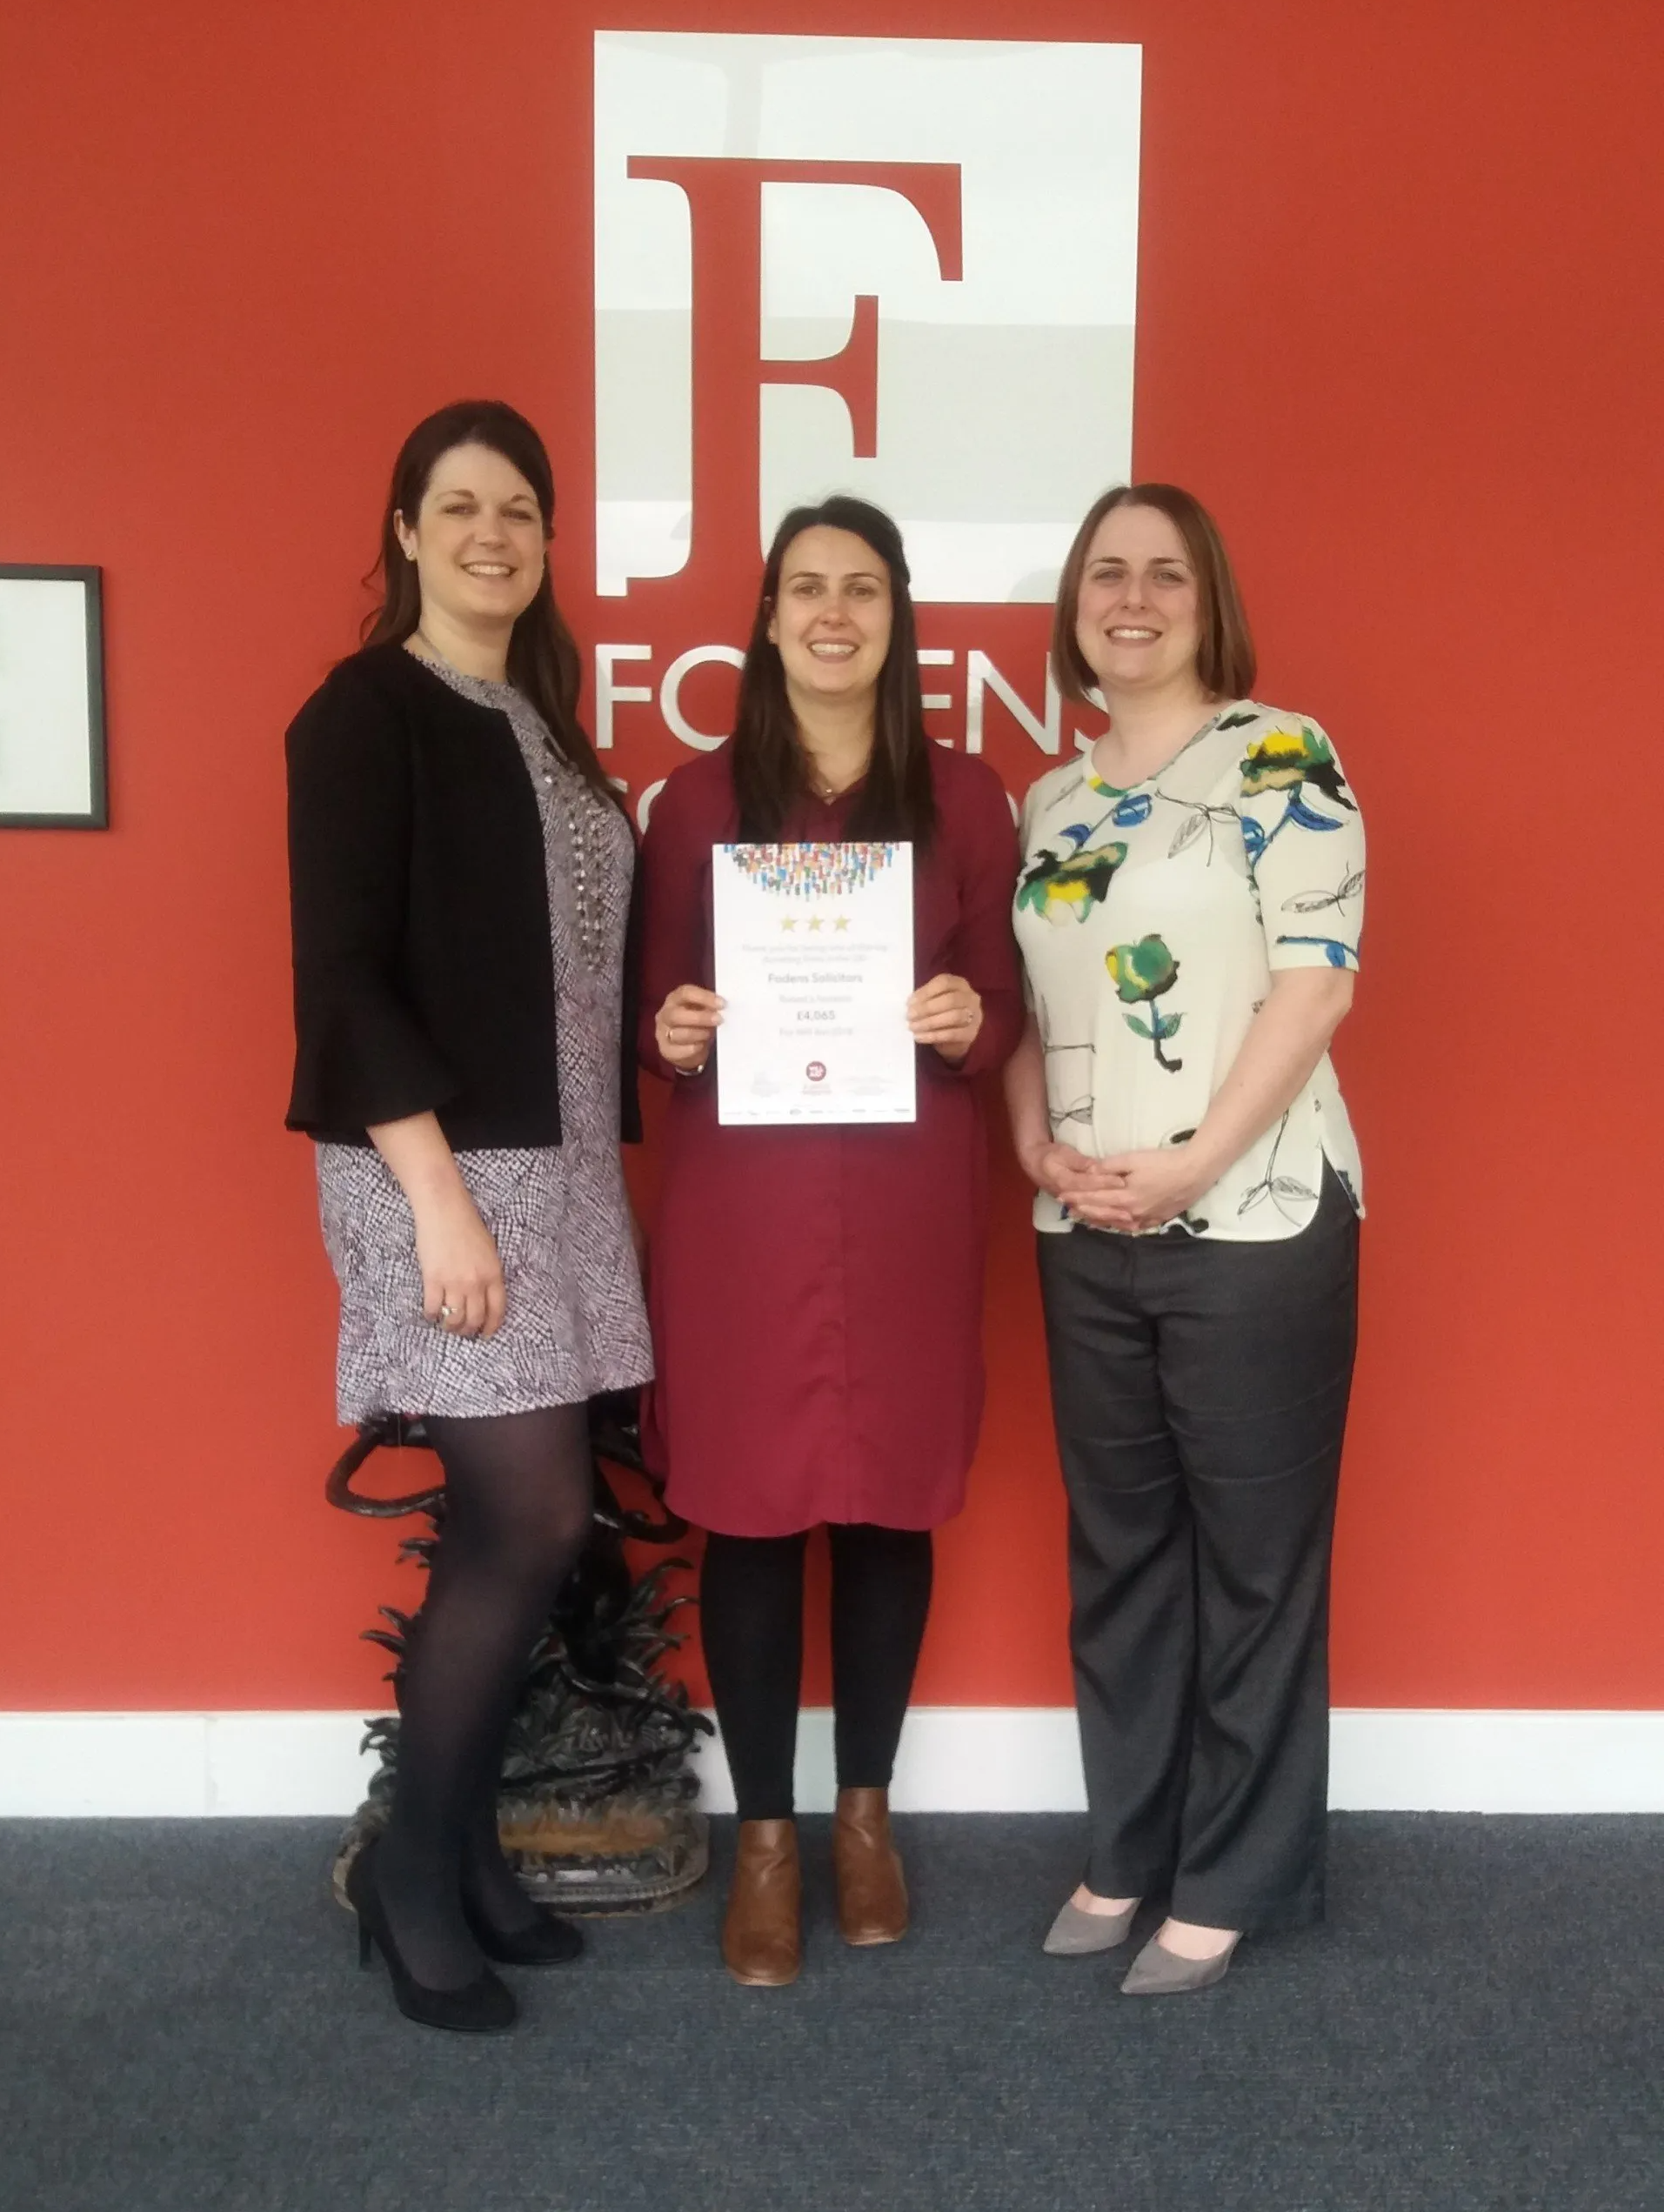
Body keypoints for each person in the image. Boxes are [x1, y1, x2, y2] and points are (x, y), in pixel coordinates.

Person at [284, 399, 652, 2032]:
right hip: (439, 1168)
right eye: (460, 505)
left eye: (522, 508)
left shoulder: (547, 726)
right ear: (405, 530)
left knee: (540, 1527)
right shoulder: (364, 710)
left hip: (562, 1167)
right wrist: (438, 1202)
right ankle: (414, 1880)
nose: (494, 532)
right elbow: (343, 975)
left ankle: (464, 1848)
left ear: (550, 542)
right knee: (526, 1521)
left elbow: (575, 972)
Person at [642, 496, 1023, 1987]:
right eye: (807, 587)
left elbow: (1003, 1006)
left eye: (861, 588)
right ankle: (767, 1839)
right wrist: (675, 1032)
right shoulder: (690, 803)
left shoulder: (972, 799)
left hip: (911, 1191)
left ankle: (864, 1813)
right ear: (769, 616)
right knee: (745, 1508)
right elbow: (655, 1016)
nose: (833, 613)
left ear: (896, 615)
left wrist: (964, 1019)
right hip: (745, 1206)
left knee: (885, 1509)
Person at [1007, 484, 1365, 1995]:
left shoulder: (1283, 755)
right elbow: (1031, 1018)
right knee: (1123, 1553)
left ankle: (1232, 1870)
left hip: (1257, 1213)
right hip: (1085, 1226)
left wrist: (1190, 1165)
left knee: (1258, 1561)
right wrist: (1036, 1146)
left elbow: (1315, 983)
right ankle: (1131, 1842)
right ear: (1076, 607)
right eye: (1107, 574)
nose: (1132, 597)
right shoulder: (1052, 800)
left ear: (1207, 599)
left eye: (1164, 573)